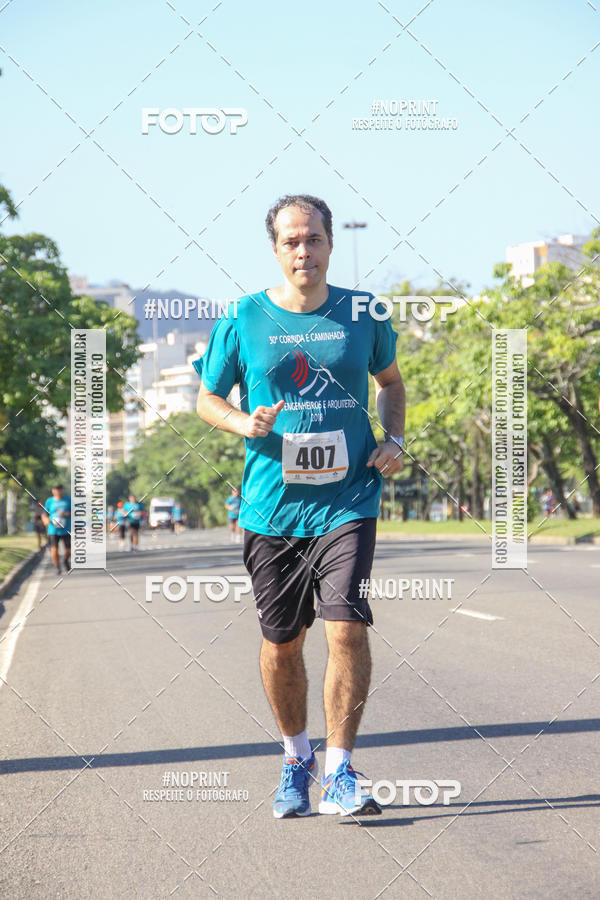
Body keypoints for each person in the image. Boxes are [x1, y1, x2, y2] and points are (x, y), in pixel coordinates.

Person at [195, 194, 405, 819]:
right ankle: (296, 758)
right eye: (291, 241)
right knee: (283, 643)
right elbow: (207, 399)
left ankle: (340, 770)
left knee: (346, 627)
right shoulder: (243, 318)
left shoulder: (364, 312)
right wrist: (243, 422)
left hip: (349, 500)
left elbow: (390, 383)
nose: (304, 250)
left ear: (330, 243)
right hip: (272, 509)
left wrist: (394, 439)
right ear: (276, 249)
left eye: (313, 238)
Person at [41, 484, 71, 574]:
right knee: (54, 549)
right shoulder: (49, 501)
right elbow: (44, 514)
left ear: (62, 490)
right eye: (56, 489)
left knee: (68, 550)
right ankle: (57, 567)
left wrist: (66, 514)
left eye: (60, 489)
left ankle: (65, 560)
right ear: (53, 491)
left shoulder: (68, 500)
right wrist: (45, 520)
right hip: (53, 530)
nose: (58, 491)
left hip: (66, 529)